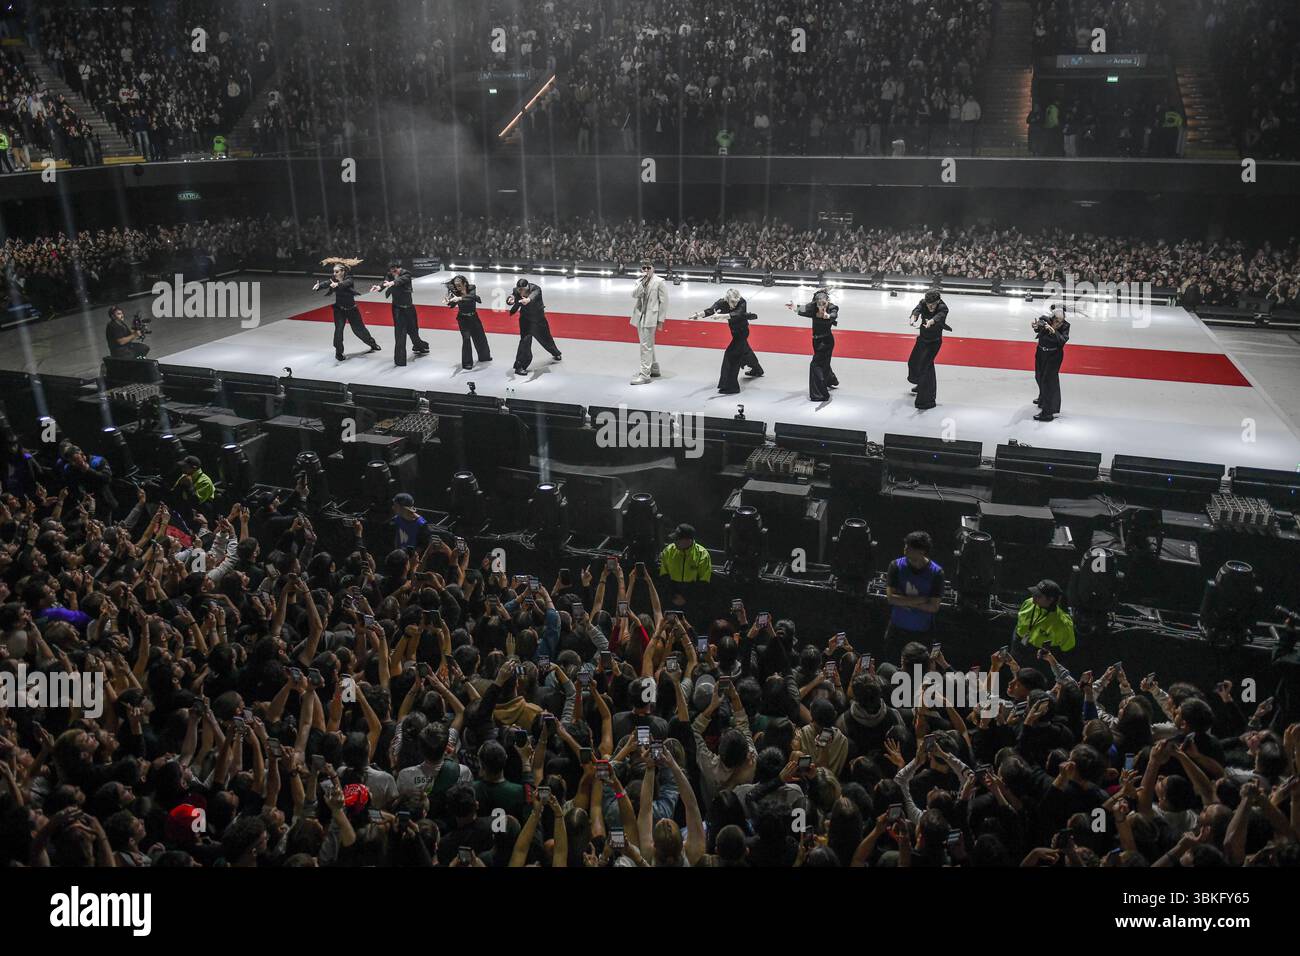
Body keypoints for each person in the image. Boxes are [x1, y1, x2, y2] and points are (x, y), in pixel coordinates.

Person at [883, 531, 945, 663]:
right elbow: (891, 598)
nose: (905, 548)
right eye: (906, 545)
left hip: (921, 634)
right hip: (897, 631)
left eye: (910, 546)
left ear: (921, 551)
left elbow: (933, 607)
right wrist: (921, 600)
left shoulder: (936, 573)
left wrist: (903, 601)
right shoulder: (896, 566)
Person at [691, 289, 764, 394]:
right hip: (734, 332)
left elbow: (738, 314)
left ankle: (731, 387)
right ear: (727, 299)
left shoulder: (742, 301)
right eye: (732, 302)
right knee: (745, 351)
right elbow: (710, 310)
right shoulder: (722, 302)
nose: (734, 304)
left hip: (743, 332)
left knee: (731, 355)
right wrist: (697, 314)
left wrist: (721, 316)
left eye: (736, 302)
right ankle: (757, 370)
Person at [315, 259, 381, 362]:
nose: (334, 274)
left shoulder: (349, 279)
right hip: (339, 310)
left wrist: (337, 285)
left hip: (352, 309)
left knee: (359, 330)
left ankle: (372, 343)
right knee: (338, 330)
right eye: (334, 272)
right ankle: (339, 352)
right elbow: (327, 283)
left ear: (343, 271)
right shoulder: (334, 279)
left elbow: (345, 284)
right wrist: (319, 286)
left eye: (337, 272)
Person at [371, 261, 429, 367]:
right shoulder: (390, 275)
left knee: (413, 332)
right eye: (391, 271)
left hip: (409, 308)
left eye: (395, 270)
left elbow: (400, 281)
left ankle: (420, 346)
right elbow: (385, 281)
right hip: (397, 309)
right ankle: (400, 360)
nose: (393, 273)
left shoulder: (406, 274)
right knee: (399, 334)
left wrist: (392, 283)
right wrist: (379, 287)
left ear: (399, 268)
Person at [788, 290, 838, 402]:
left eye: (823, 303)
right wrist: (794, 307)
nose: (821, 305)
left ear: (826, 301)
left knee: (815, 365)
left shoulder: (832, 308)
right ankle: (830, 380)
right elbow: (803, 309)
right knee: (824, 362)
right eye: (818, 303)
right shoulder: (813, 307)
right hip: (816, 341)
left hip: (826, 341)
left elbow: (834, 314)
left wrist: (828, 316)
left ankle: (820, 394)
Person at [508, 277, 562, 374]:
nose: (521, 292)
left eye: (523, 290)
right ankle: (520, 366)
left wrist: (528, 300)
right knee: (525, 342)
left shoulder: (536, 289)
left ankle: (555, 353)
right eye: (519, 290)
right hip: (525, 320)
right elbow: (512, 297)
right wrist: (510, 299)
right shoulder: (517, 290)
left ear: (527, 287)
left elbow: (533, 296)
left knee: (546, 339)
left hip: (538, 319)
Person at [908, 290, 950, 411]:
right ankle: (920, 382)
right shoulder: (923, 303)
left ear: (938, 302)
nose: (930, 307)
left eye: (933, 304)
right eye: (928, 304)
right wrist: (913, 318)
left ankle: (926, 401)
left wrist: (931, 321)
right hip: (922, 340)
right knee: (913, 362)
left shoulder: (943, 307)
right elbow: (917, 310)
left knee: (925, 369)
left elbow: (939, 316)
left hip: (933, 343)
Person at [629, 260, 669, 385]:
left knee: (645, 346)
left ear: (653, 268)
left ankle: (645, 375)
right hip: (640, 316)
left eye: (648, 268)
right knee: (647, 343)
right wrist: (643, 284)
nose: (646, 270)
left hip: (651, 317)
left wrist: (661, 320)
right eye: (644, 268)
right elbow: (634, 295)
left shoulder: (660, 282)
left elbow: (664, 302)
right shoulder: (639, 281)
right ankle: (654, 368)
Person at [1014, 579, 1076, 656]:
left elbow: (1067, 648)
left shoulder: (1063, 623)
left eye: (1038, 596)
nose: (1033, 597)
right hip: (1018, 646)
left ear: (1051, 599)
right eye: (1034, 593)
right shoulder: (1029, 603)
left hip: (1039, 657)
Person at [658, 523, 712, 609]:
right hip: (672, 596)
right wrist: (673, 596)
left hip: (693, 599)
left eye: (678, 539)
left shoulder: (702, 554)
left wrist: (686, 598)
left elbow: (704, 583)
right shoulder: (668, 551)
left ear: (688, 540)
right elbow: (664, 576)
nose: (675, 541)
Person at [1032, 304, 1070, 422]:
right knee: (1038, 376)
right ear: (1052, 318)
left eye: (1061, 321)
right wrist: (1035, 327)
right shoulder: (1044, 319)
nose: (1059, 323)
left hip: (1054, 356)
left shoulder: (1065, 326)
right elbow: (1038, 329)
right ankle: (1043, 397)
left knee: (1048, 381)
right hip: (1041, 352)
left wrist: (1054, 332)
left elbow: (1063, 341)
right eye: (1057, 320)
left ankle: (1047, 413)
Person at [445, 275, 492, 370]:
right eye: (456, 285)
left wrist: (460, 298)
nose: (457, 287)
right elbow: (452, 305)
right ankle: (467, 363)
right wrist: (449, 302)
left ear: (465, 283)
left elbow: (472, 297)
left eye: (459, 285)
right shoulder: (454, 292)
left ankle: (484, 357)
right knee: (466, 339)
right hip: (463, 319)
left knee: (480, 336)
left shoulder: (472, 288)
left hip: (474, 317)